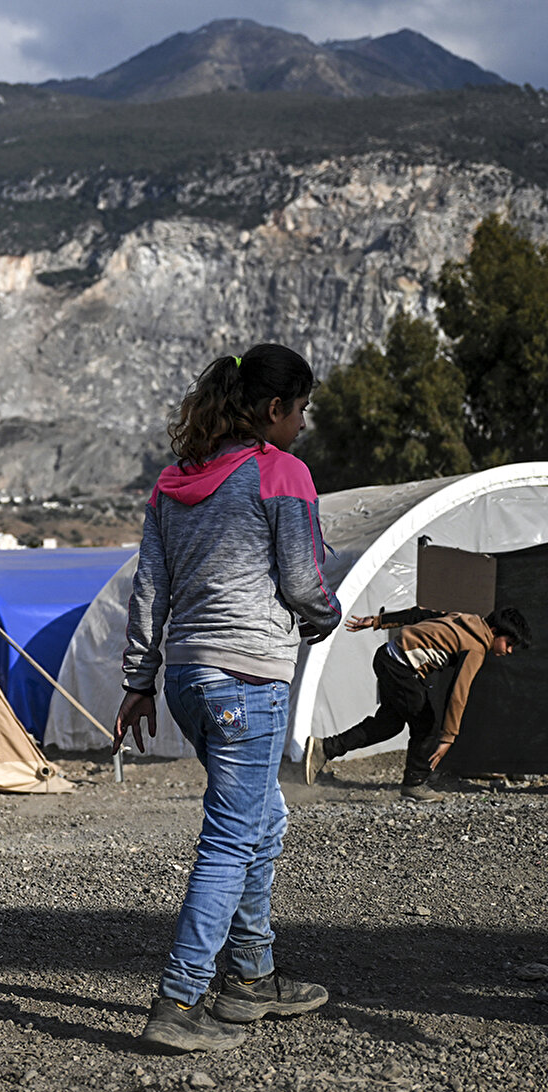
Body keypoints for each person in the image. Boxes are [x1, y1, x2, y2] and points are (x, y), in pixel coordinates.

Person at [114, 344, 342, 1054]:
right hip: (247, 678)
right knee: (231, 837)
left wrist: (138, 681)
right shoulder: (284, 473)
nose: (303, 424)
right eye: (300, 409)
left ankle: (249, 977)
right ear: (274, 409)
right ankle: (179, 1000)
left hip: (187, 677)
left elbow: (149, 586)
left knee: (259, 821)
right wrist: (329, 619)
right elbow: (304, 583)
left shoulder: (174, 481)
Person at [303, 606, 531, 800]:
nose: (509, 650)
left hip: (388, 657)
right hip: (401, 667)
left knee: (389, 724)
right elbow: (459, 692)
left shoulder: (462, 618)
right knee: (427, 725)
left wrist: (378, 621)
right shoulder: (477, 646)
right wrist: (448, 738)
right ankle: (415, 782)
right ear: (493, 631)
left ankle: (325, 748)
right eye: (508, 643)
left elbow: (420, 614)